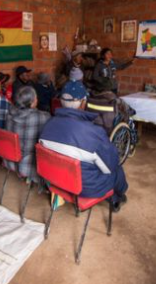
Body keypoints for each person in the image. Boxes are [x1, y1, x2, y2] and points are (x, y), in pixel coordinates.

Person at [39, 81, 128, 211]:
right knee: (117, 169)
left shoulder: (48, 124)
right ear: (83, 103)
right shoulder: (93, 132)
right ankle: (117, 197)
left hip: (54, 180)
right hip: (85, 188)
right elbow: (110, 166)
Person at [5, 86, 50, 184]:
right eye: (36, 98)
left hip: (10, 160)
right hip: (28, 166)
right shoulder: (42, 117)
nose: (37, 99)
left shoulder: (9, 112)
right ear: (32, 102)